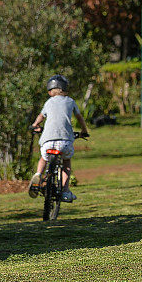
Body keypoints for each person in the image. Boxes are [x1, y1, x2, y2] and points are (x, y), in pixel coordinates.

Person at [28, 74, 88, 202]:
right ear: (65, 88)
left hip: (47, 142)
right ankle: (65, 191)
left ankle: (38, 174)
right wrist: (84, 130)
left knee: (44, 158)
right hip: (65, 141)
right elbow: (79, 117)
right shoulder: (70, 101)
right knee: (66, 164)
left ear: (50, 91)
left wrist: (35, 125)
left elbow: (41, 116)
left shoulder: (48, 102)